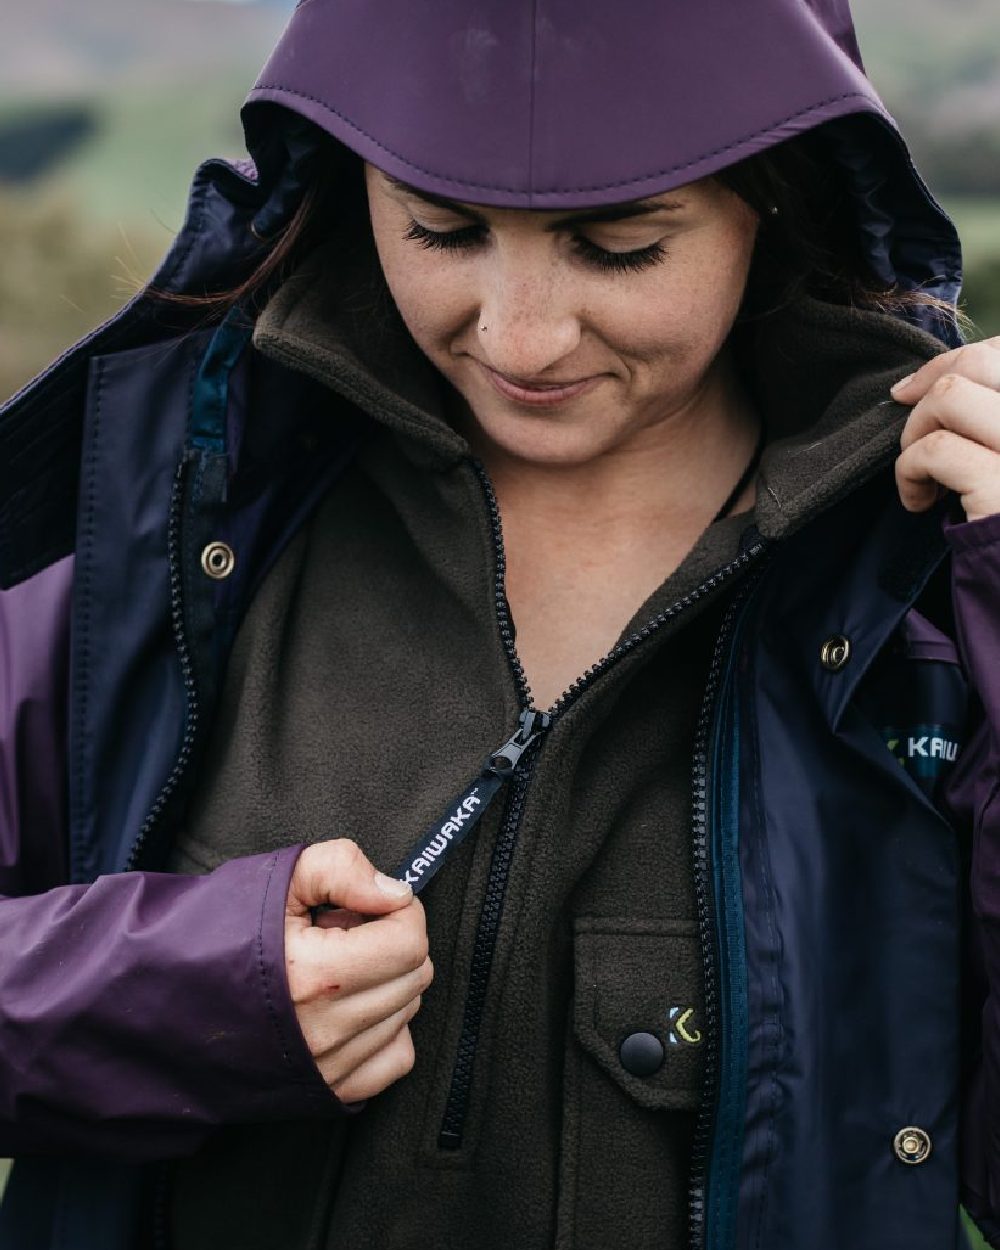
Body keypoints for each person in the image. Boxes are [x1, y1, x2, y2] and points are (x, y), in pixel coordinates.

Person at [1, 1, 999, 1247]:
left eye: (617, 246)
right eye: (442, 229)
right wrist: (177, 993)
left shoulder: (933, 588)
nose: (517, 336)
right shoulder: (166, 514)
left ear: (777, 196)